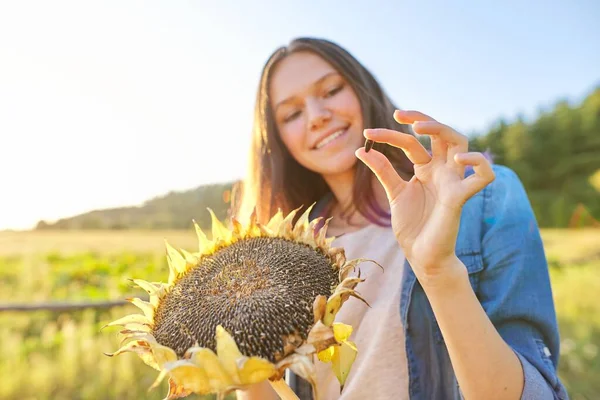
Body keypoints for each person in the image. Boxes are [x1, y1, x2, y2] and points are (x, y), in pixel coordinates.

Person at [232, 37, 569, 400]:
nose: (316, 117)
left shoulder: (483, 197)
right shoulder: (284, 251)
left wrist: (438, 272)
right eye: (292, 114)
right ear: (277, 139)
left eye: (330, 90)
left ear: (362, 89)